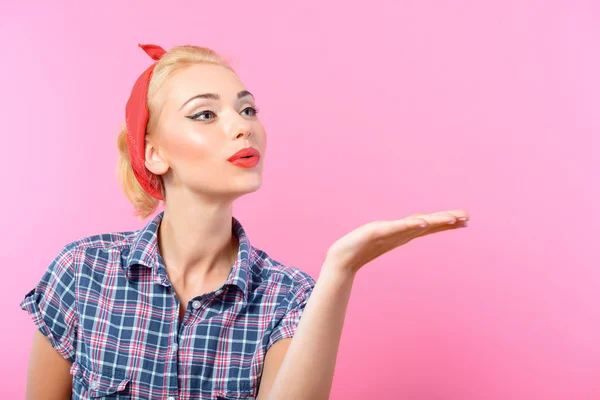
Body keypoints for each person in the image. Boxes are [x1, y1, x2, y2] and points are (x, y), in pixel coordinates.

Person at [20, 43, 470, 400]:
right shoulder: (82, 271)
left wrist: (341, 269)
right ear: (153, 152)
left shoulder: (289, 297)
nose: (243, 127)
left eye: (247, 109)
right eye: (205, 114)